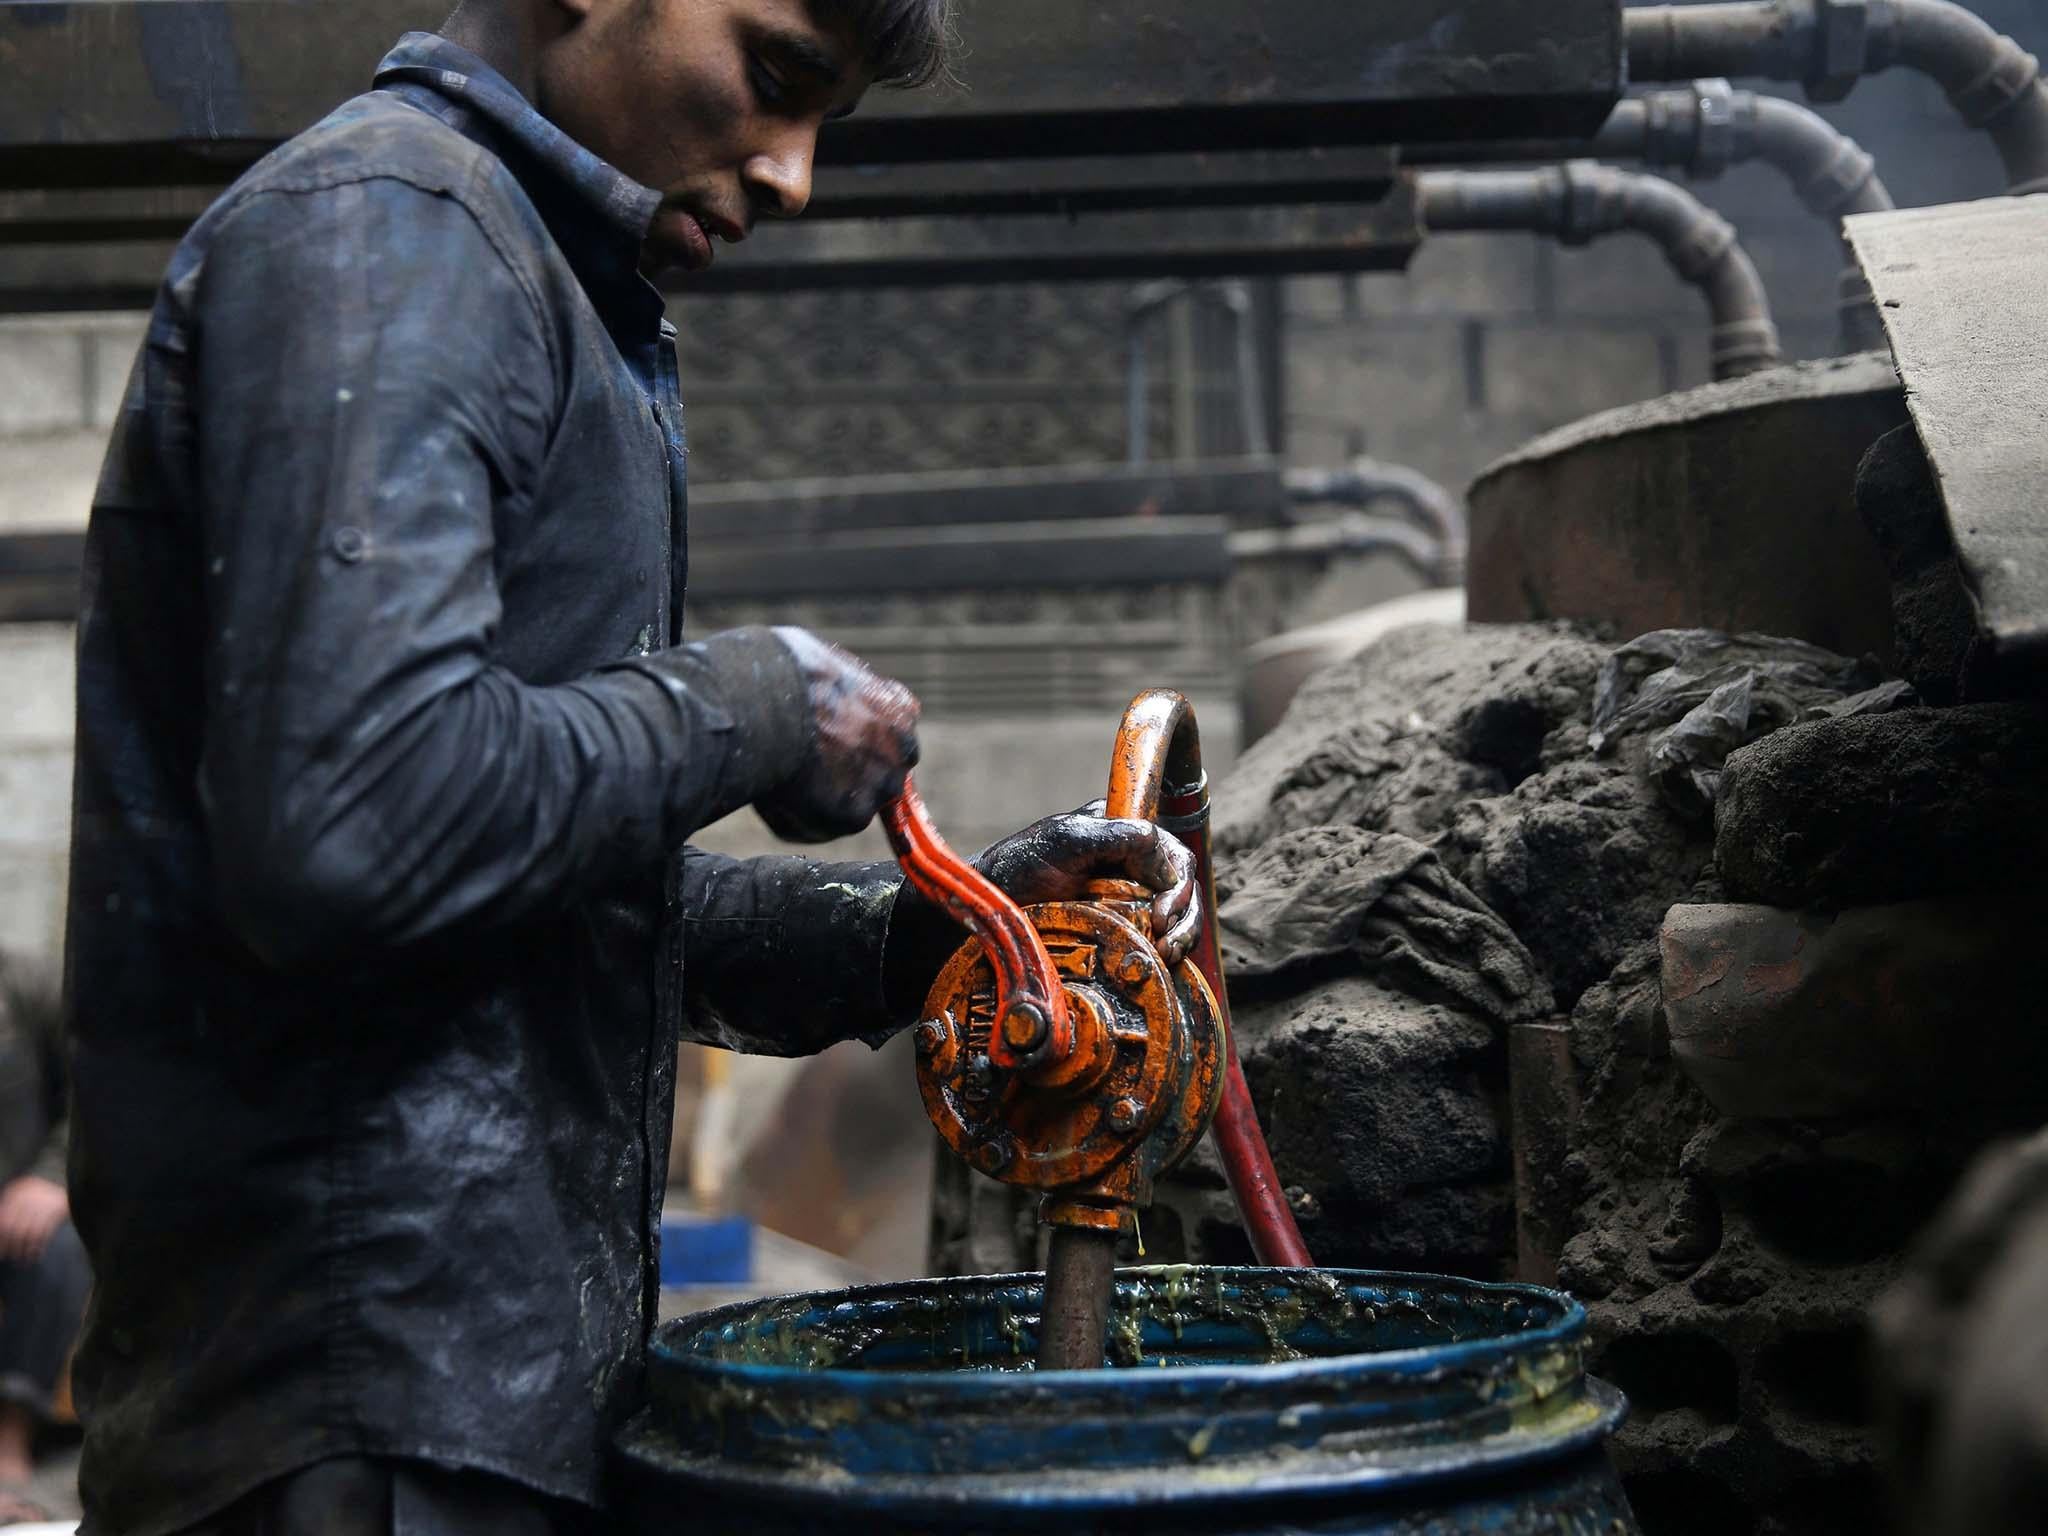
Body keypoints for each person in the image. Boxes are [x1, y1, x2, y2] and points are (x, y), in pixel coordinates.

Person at [63, 1, 1201, 1532]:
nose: (794, 174)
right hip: (353, 1413)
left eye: (826, 120)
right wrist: (755, 700)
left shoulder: (526, 277)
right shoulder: (396, 233)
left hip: (448, 1403)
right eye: (779, 75)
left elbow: (547, 896)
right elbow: (355, 827)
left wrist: (936, 927)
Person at [0, 958, 88, 1525]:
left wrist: (53, 1177)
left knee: (58, 1248)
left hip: (16, 1212)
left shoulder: (24, 985)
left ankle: (8, 1442)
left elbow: (94, 1090)